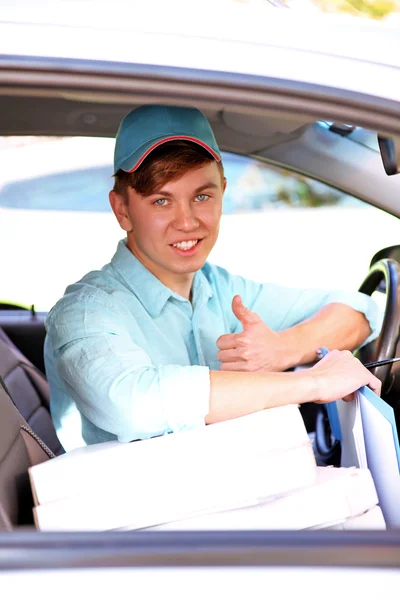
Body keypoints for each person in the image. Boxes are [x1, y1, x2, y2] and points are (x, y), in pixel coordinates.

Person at [44, 104, 381, 451]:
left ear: (222, 191)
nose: (187, 222)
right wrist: (314, 384)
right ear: (122, 210)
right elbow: (132, 404)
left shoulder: (221, 290)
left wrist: (283, 349)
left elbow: (360, 310)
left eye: (202, 196)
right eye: (161, 201)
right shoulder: (84, 311)